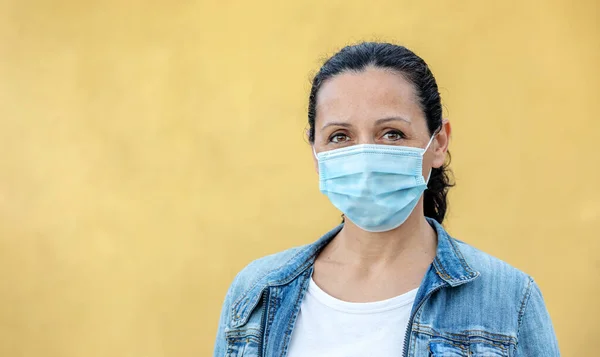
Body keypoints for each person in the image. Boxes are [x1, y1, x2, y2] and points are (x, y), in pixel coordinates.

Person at [213, 42, 560, 357]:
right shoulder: (254, 293)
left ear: (438, 143)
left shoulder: (509, 298)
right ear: (314, 151)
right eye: (339, 136)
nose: (365, 156)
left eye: (392, 134)